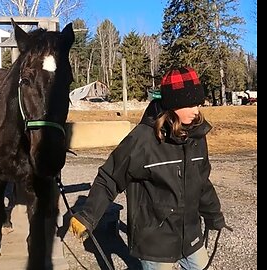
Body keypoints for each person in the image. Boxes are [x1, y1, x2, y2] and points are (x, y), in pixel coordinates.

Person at [69, 67, 231, 270]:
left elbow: (201, 181)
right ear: (173, 104)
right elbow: (109, 177)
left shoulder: (196, 136)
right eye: (189, 105)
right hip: (155, 241)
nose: (196, 111)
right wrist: (88, 216)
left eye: (198, 104)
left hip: (190, 235)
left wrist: (213, 214)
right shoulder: (142, 139)